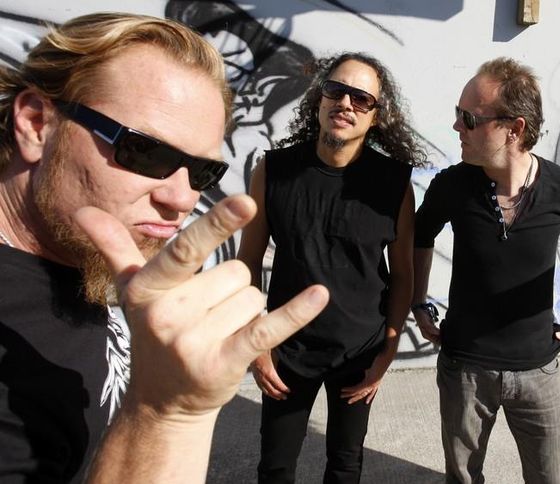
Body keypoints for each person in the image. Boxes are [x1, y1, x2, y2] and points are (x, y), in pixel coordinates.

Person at [0, 13, 326, 483]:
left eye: (203, 172)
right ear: (37, 124)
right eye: (146, 151)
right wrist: (169, 413)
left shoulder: (77, 260)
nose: (183, 199)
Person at [237, 52, 425, 483]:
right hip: (287, 350)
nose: (345, 104)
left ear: (376, 115)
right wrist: (255, 342)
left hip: (360, 353)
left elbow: (402, 276)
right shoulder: (274, 171)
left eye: (361, 98)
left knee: (345, 465)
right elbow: (247, 261)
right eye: (336, 90)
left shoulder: (394, 184)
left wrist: (387, 352)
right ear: (319, 99)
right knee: (275, 467)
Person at [412, 57, 560, 484]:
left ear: (514, 128)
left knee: (551, 478)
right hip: (465, 369)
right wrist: (419, 302)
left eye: (468, 118)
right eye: (458, 115)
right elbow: (419, 236)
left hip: (539, 368)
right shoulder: (453, 185)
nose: (457, 126)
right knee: (463, 478)